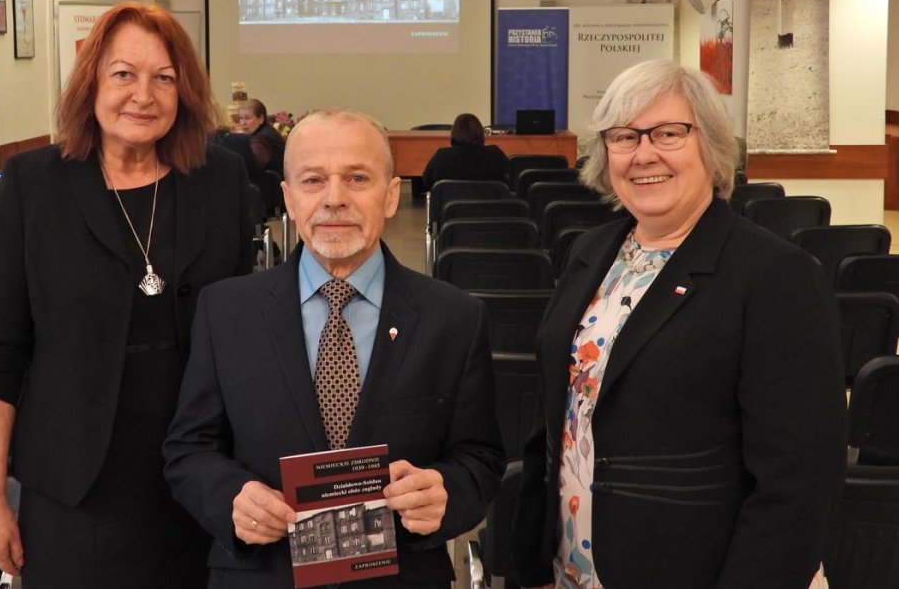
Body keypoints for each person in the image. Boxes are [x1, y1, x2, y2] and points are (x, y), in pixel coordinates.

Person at [511, 60, 846, 589]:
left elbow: (800, 482)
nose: (644, 154)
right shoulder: (590, 251)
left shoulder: (775, 274)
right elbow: (553, 423)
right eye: (624, 136)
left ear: (710, 145)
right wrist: (531, 566)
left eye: (668, 133)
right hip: (571, 570)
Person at [0, 2, 256, 588]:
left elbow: (244, 337)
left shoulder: (221, 180)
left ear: (184, 92)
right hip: (75, 485)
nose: (143, 95)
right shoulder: (33, 186)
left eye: (164, 78)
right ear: (91, 82)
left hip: (202, 475)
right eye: (123, 74)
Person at [163, 107, 506, 588]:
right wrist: (230, 499)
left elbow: (480, 457)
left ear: (391, 196)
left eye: (357, 178)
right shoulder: (225, 312)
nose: (334, 198)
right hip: (264, 576)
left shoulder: (454, 318)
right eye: (313, 180)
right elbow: (188, 449)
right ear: (288, 197)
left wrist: (447, 493)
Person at [420, 112, 510, 194]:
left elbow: (427, 181)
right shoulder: (495, 154)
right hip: (490, 205)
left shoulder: (442, 156)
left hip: (451, 205)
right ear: (480, 132)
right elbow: (510, 179)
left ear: (454, 133)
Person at [238, 97, 286, 175]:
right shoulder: (266, 130)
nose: (243, 123)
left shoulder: (261, 139)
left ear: (261, 118)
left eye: (247, 118)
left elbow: (251, 168)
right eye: (241, 118)